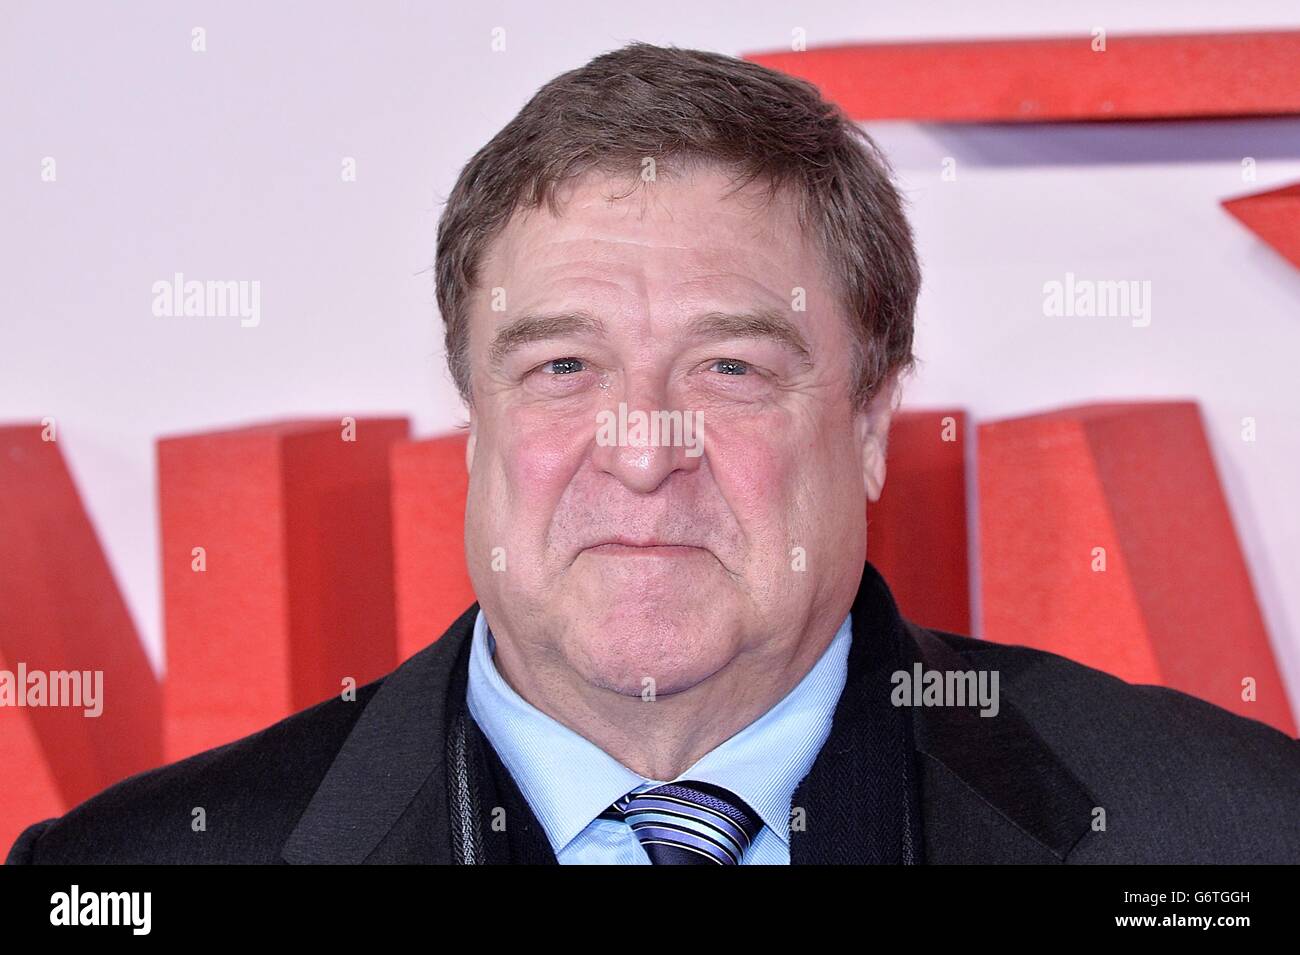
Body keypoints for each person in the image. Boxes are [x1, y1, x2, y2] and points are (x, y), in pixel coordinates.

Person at [9, 41, 1298, 865]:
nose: (641, 454)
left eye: (729, 370)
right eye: (563, 368)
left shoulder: (1232, 834)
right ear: (476, 417)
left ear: (868, 424)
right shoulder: (132, 874)